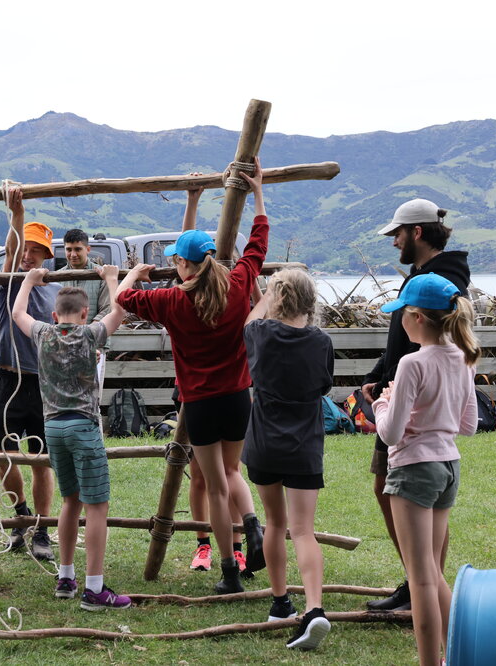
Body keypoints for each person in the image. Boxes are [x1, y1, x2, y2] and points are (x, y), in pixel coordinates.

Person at [117, 157, 268, 594]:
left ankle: (229, 571)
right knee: (234, 473)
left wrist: (130, 274)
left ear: (184, 265)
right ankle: (252, 526)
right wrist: (257, 193)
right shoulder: (237, 284)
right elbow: (257, 243)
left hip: (200, 404)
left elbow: (124, 298)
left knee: (215, 489)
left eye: (177, 262)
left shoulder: (171, 302)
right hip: (238, 396)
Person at [361, 198, 470, 612]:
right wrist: (378, 375)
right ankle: (421, 582)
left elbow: (426, 347)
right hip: (398, 393)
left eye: (397, 234)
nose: (394, 242)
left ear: (417, 232)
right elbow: (401, 340)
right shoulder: (423, 275)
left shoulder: (441, 280)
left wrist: (388, 391)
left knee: (410, 497)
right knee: (387, 489)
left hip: (411, 409)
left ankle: (424, 586)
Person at [372, 273, 478, 666]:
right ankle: (459, 655)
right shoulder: (463, 358)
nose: (398, 320)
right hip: (448, 467)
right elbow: (468, 425)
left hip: (414, 469)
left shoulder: (411, 363)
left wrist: (382, 404)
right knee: (432, 571)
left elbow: (391, 433)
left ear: (417, 317)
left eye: (401, 313)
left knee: (419, 579)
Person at [12, 265, 131, 610]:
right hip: (83, 427)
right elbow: (119, 310)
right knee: (97, 506)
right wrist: (111, 278)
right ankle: (94, 588)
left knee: (70, 501)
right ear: (84, 313)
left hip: (53, 428)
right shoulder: (91, 334)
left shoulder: (43, 333)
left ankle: (66, 577)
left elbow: (18, 313)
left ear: (54, 315)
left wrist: (29, 281)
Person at [243, 268, 334, 649]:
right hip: (305, 446)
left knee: (274, 523)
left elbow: (250, 320)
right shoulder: (322, 342)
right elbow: (324, 385)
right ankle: (314, 608)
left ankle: (280, 603)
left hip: (264, 443)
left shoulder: (259, 334)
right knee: (303, 530)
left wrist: (265, 295)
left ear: (276, 298)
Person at [176, 180, 249, 577]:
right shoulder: (195, 286)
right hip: (211, 393)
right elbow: (185, 248)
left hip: (208, 394)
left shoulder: (225, 287)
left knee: (223, 475)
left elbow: (186, 252)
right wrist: (192, 201)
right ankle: (205, 544)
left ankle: (233, 547)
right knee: (204, 475)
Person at [0, 186, 61, 561]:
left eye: (36, 250)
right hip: (8, 379)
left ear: (47, 256)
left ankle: (43, 530)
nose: (27, 255)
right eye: (25, 248)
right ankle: (22, 516)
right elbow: (9, 250)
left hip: (43, 383)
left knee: (42, 460)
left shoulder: (56, 291)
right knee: (4, 456)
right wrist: (17, 214)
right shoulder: (10, 282)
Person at [57, 230, 110, 323]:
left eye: (78, 249)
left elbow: (107, 308)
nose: (73, 254)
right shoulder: (57, 277)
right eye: (69, 250)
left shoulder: (101, 275)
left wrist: (90, 330)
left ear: (88, 249)